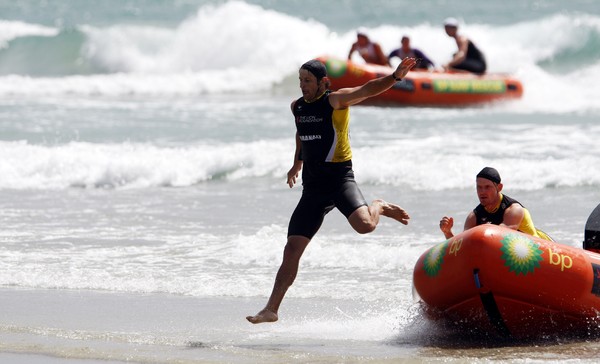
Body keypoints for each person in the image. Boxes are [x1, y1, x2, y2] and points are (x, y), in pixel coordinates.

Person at [246, 56, 417, 324]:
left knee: (365, 226)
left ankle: (379, 205)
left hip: (339, 179)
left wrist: (395, 77)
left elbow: (367, 89)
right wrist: (296, 163)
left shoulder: (335, 101)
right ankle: (271, 309)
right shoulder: (298, 107)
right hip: (313, 187)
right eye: (300, 80)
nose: (303, 86)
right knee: (292, 249)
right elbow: (301, 134)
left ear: (323, 82)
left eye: (308, 81)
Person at [439, 167, 550, 240]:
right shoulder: (474, 217)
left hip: (541, 251)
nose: (482, 192)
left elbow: (501, 236)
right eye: (479, 187)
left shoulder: (513, 210)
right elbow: (462, 246)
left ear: (499, 187)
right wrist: (448, 232)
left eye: (487, 187)